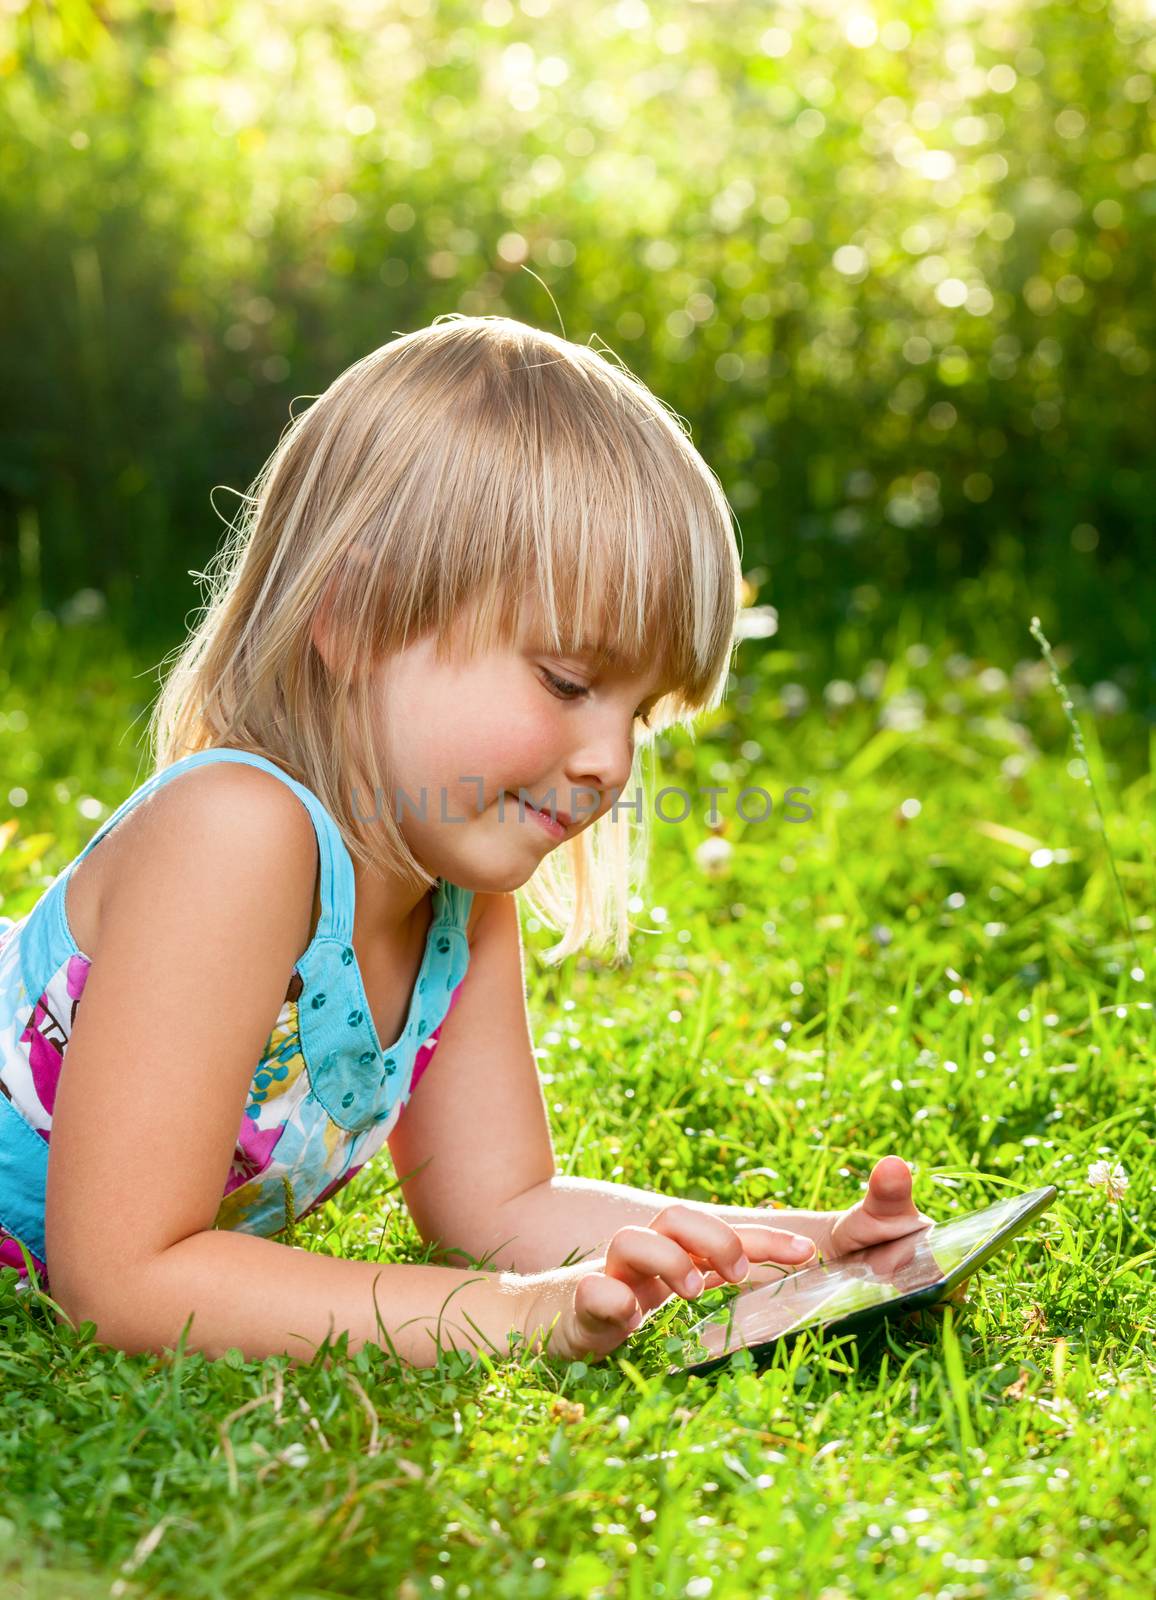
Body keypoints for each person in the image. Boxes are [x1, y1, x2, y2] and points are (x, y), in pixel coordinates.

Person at [0, 315, 932, 1370]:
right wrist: (516, 1316)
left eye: (640, 714)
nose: (611, 764)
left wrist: (801, 1250)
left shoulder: (454, 893)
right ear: (352, 615)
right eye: (570, 683)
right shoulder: (234, 834)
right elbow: (122, 1279)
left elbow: (498, 1202)